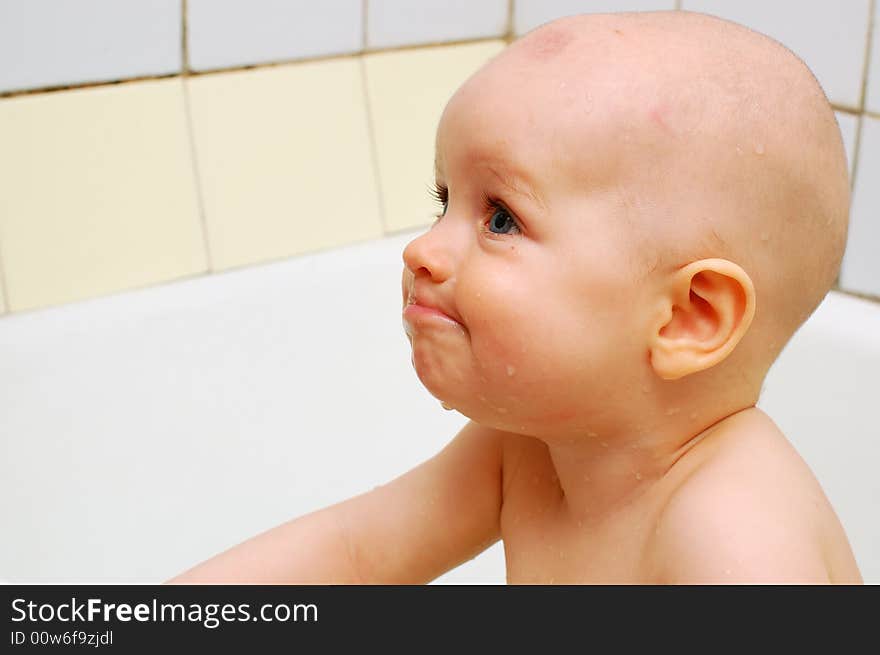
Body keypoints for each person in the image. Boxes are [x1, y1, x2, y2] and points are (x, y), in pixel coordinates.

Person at [167, 11, 862, 584]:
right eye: (444, 201)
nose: (422, 250)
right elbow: (354, 554)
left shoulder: (734, 538)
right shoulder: (528, 452)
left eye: (500, 216)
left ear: (688, 316)